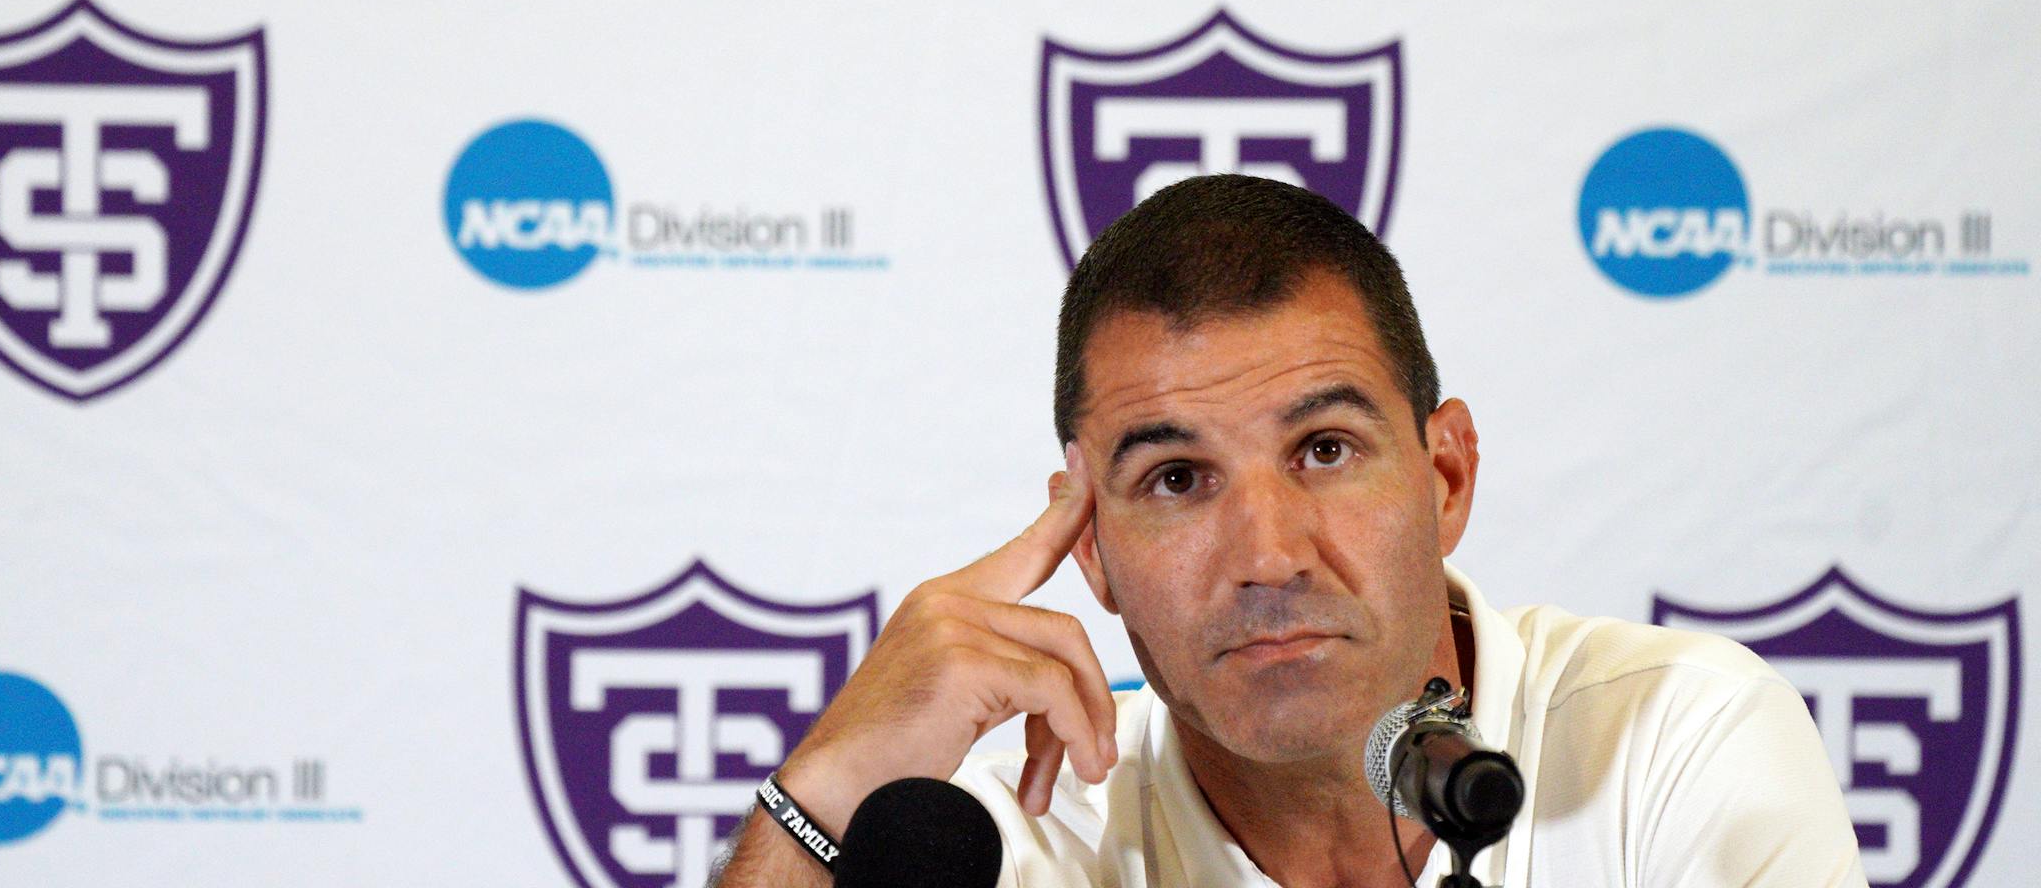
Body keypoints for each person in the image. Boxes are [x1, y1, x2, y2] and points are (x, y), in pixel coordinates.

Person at [715, 175, 1865, 887]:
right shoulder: (1020, 843)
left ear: (1446, 476)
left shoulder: (1674, 741)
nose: (1267, 555)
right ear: (1092, 551)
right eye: (1176, 479)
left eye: (1324, 451)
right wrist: (829, 788)